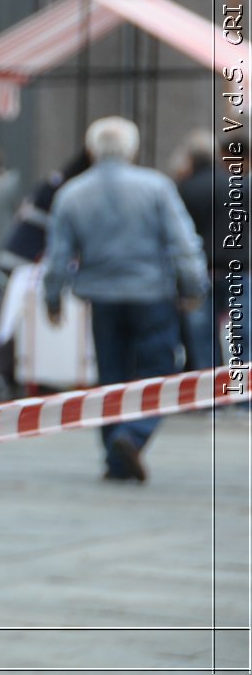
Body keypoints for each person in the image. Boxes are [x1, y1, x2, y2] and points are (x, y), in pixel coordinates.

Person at [42, 116, 208, 483]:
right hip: (152, 293)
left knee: (112, 375)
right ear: (132, 149)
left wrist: (52, 299)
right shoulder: (156, 187)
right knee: (159, 372)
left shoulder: (72, 193)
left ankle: (116, 455)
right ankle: (132, 434)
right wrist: (193, 287)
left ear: (91, 150)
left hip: (101, 296)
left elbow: (57, 257)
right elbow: (184, 244)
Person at [176, 128, 244, 372]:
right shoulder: (239, 185)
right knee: (242, 337)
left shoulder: (184, 188)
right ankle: (243, 395)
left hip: (201, 270)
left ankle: (208, 395)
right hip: (240, 269)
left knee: (202, 338)